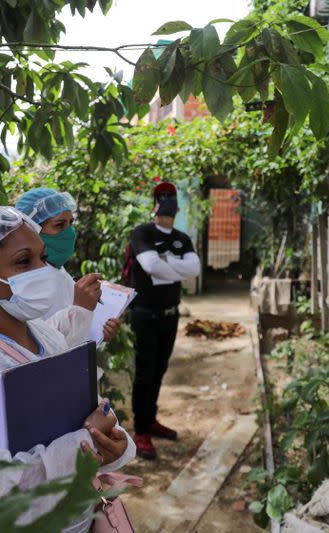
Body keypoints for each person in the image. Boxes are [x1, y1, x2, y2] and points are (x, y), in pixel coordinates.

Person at [0, 206, 135, 530]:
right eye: (22, 262)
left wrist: (112, 442)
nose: (42, 271)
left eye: (41, 259)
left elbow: (83, 413)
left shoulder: (44, 334)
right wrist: (85, 445)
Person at [129, 181, 201, 459]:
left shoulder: (182, 237)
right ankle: (140, 430)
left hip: (170, 315)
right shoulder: (142, 233)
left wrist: (164, 268)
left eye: (171, 198)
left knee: (159, 369)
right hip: (145, 315)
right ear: (154, 205)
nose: (167, 203)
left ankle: (151, 420)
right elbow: (150, 266)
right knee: (145, 373)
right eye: (163, 198)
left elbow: (193, 269)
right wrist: (173, 268)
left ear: (179, 208)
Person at [15, 188, 121, 346]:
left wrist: (99, 332)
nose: (70, 233)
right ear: (32, 230)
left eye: (71, 223)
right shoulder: (23, 282)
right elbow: (35, 344)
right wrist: (79, 309)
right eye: (59, 225)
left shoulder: (58, 270)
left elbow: (75, 333)